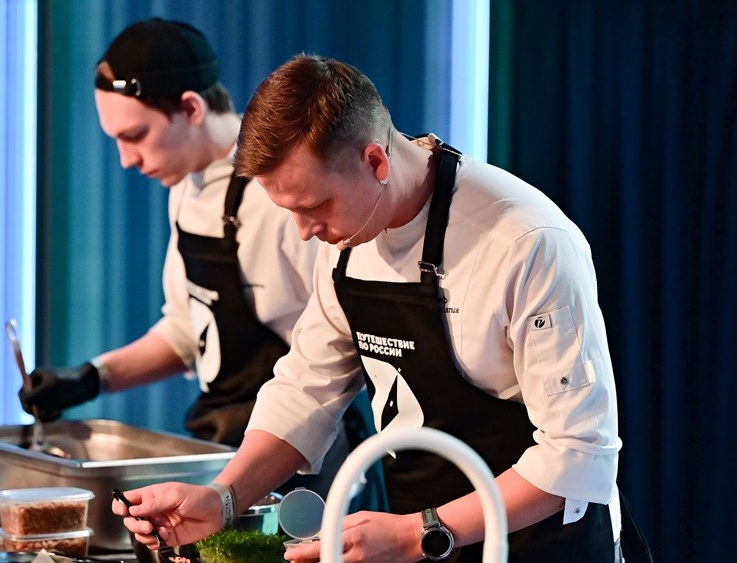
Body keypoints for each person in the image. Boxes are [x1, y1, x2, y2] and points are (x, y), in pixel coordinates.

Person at [114, 54, 627, 563]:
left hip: (540, 546)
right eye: (289, 211)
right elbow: (307, 387)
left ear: (375, 161)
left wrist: (413, 534)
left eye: (314, 206)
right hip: (422, 541)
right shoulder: (348, 235)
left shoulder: (525, 241)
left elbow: (578, 454)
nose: (304, 232)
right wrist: (223, 499)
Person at [19, 21, 384, 509]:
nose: (126, 160)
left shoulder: (285, 196)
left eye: (136, 136)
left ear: (191, 108)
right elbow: (189, 329)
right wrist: (90, 377)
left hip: (303, 459)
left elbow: (340, 347)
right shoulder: (187, 188)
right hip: (226, 440)